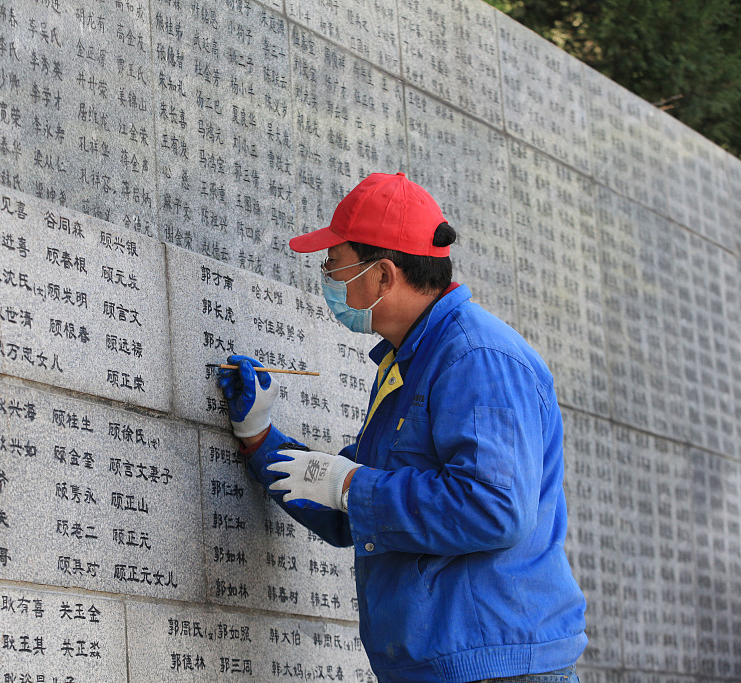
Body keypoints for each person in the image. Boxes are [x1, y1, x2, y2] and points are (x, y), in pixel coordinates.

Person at [218, 172, 587, 683]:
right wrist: (260, 436)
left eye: (334, 263)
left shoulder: (477, 357)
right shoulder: (410, 360)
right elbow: (356, 512)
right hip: (439, 666)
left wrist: (348, 486)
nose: (325, 274)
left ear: (383, 276)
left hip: (495, 667)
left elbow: (495, 508)